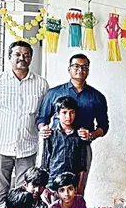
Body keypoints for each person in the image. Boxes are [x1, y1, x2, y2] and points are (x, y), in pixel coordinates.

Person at [0, 41, 49, 208]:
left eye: (26, 55)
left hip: (27, 146)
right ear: (9, 57)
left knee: (23, 190)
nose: (22, 58)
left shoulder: (41, 84)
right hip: (1, 145)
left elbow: (43, 112)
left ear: (31, 58)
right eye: (17, 54)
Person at [36, 53, 108, 189]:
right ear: (69, 69)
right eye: (76, 66)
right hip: (56, 144)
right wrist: (42, 129)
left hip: (82, 146)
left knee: (78, 188)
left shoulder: (97, 97)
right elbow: (42, 118)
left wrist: (91, 135)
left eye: (84, 67)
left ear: (88, 71)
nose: (80, 70)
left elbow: (104, 126)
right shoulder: (54, 93)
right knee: (51, 186)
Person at [40, 96, 89, 192]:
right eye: (64, 112)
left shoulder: (80, 136)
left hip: (72, 183)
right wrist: (44, 186)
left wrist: (80, 185)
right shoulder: (50, 135)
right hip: (52, 181)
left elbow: (82, 165)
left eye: (72, 112)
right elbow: (45, 162)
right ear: (57, 114)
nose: (68, 116)